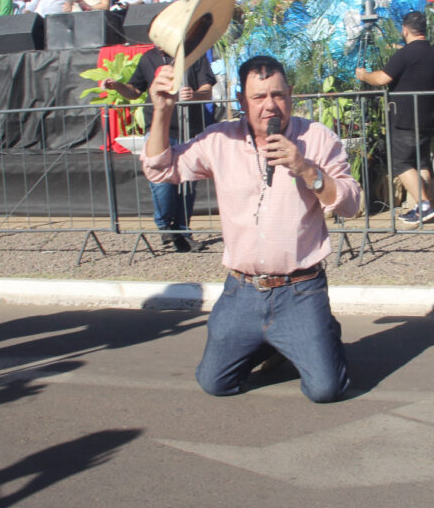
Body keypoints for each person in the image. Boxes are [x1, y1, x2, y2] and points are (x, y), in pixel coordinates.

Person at [141, 55, 360, 402]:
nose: (270, 106)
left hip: (300, 290)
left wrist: (306, 168)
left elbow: (351, 203)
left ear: (291, 94)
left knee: (325, 390)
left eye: (278, 95)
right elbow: (160, 170)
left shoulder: (317, 138)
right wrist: (162, 111)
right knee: (215, 384)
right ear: (241, 102)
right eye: (259, 98)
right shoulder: (219, 140)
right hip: (241, 291)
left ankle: (319, 332)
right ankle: (272, 343)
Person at [106, 47, 215, 252]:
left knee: (188, 185)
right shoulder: (148, 58)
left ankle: (182, 230)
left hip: (189, 130)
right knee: (161, 183)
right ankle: (166, 228)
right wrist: (117, 86)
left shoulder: (195, 55)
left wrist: (194, 95)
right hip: (159, 130)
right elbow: (134, 91)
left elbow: (207, 89)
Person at [355, 11, 434, 226]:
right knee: (421, 162)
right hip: (428, 118)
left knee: (400, 163)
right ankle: (426, 204)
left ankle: (424, 205)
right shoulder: (432, 54)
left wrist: (364, 75)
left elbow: (382, 78)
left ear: (405, 30)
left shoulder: (407, 54)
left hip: (405, 118)